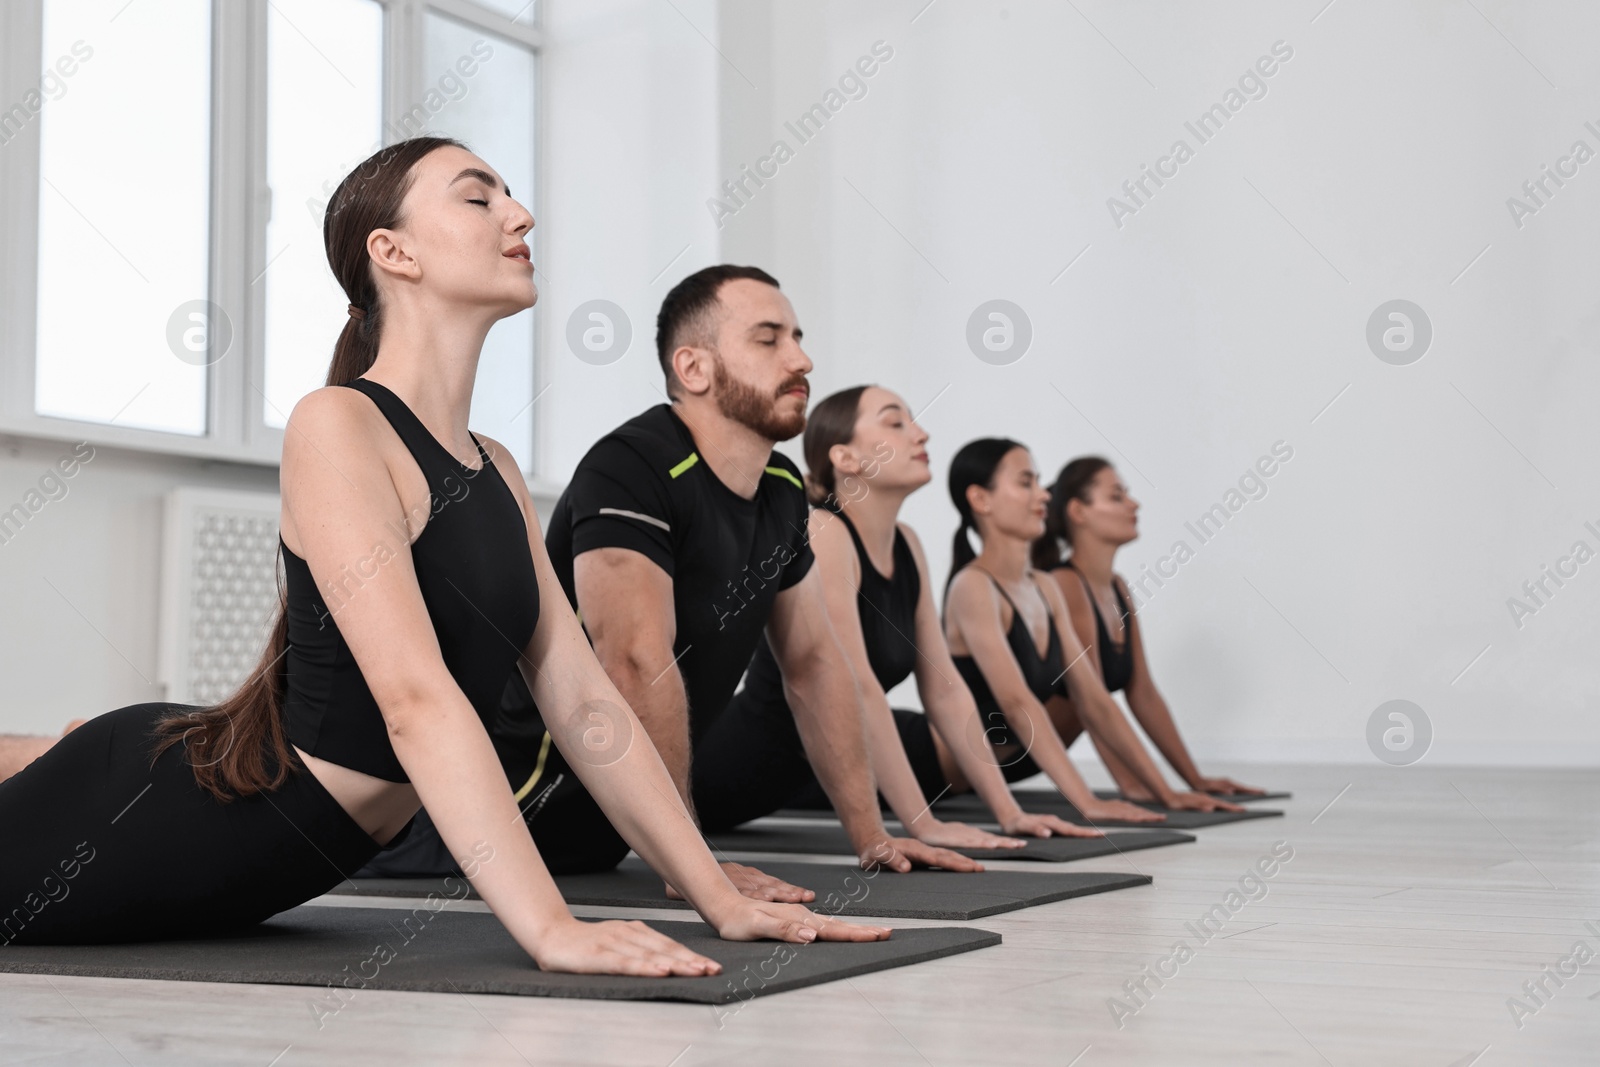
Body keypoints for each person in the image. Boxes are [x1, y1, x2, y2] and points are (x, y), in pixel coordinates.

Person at [0, 138, 886, 967]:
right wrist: (551, 929)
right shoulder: (338, 423)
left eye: (511, 195)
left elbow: (585, 703)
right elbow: (416, 701)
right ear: (395, 253)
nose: (520, 215)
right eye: (479, 197)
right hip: (150, 816)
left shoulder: (492, 466)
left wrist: (714, 896)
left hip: (265, 846)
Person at [375, 265, 982, 893]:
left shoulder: (781, 490)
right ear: (693, 369)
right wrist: (693, 866)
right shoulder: (632, 465)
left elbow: (814, 664)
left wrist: (871, 837)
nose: (801, 359)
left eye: (798, 337)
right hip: (501, 814)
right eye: (769, 339)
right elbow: (633, 659)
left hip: (605, 833)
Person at [697, 384, 1107, 840]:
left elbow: (946, 691)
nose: (922, 434)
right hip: (721, 772)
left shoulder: (908, 545)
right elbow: (858, 688)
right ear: (845, 459)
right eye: (896, 422)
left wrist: (1009, 814)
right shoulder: (825, 533)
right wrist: (923, 823)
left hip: (808, 775)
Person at [941, 438, 1245, 820]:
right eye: (1025, 483)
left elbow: (1098, 699)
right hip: (933, 769)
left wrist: (1171, 791)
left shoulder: (1046, 588)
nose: (1041, 495)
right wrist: (1089, 801)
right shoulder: (974, 587)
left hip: (1014, 762)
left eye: (1039, 482)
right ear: (981, 500)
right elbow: (1018, 704)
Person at [1033, 457, 1261, 800]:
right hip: (990, 757)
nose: (1133, 504)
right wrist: (1140, 788)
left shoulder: (1118, 588)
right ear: (1078, 512)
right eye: (1117, 496)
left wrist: (1193, 780)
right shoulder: (1065, 585)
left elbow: (1144, 695)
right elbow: (1091, 705)